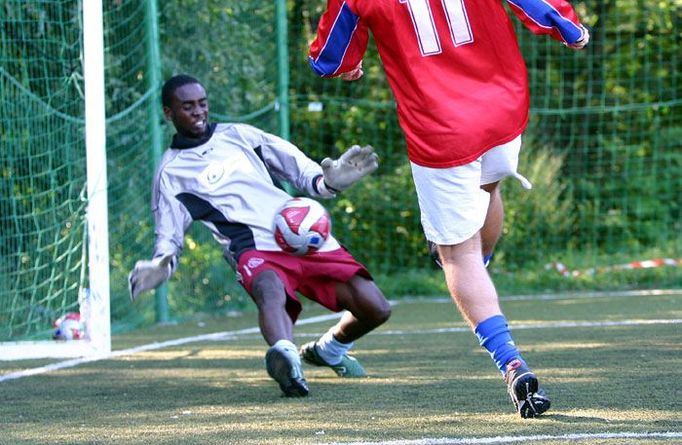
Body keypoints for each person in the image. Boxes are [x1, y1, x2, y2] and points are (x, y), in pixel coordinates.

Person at [308, 0, 590, 418]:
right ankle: (478, 269)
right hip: (503, 107)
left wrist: (343, 67)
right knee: (486, 188)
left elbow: (327, 58)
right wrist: (570, 28)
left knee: (457, 254)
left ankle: (511, 361)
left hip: (441, 129)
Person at [128, 74, 391, 398]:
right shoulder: (171, 174)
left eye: (202, 103)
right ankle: (287, 360)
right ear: (169, 113)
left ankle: (329, 350)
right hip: (252, 248)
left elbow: (297, 167)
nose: (198, 112)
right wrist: (160, 265)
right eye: (187, 107)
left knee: (376, 309)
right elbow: (169, 237)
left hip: (303, 232)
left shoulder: (240, 135)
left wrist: (329, 181)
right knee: (269, 290)